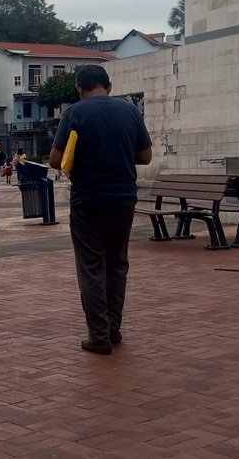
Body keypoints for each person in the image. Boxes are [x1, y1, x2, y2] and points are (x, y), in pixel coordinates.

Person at [49, 65, 152, 355]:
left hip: (87, 199)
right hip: (123, 198)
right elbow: (145, 156)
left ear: (79, 87)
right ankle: (113, 329)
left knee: (92, 265)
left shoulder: (75, 113)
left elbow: (56, 160)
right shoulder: (130, 111)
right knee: (117, 263)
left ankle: (99, 335)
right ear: (108, 84)